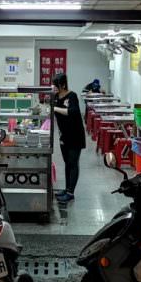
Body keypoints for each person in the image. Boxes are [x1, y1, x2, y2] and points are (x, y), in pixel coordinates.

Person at [52, 73, 86, 203]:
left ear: (63, 85)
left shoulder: (72, 96)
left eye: (56, 85)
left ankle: (71, 193)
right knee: (67, 163)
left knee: (73, 163)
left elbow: (73, 111)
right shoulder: (56, 97)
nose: (54, 87)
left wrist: (55, 108)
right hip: (64, 136)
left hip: (75, 135)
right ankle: (67, 189)